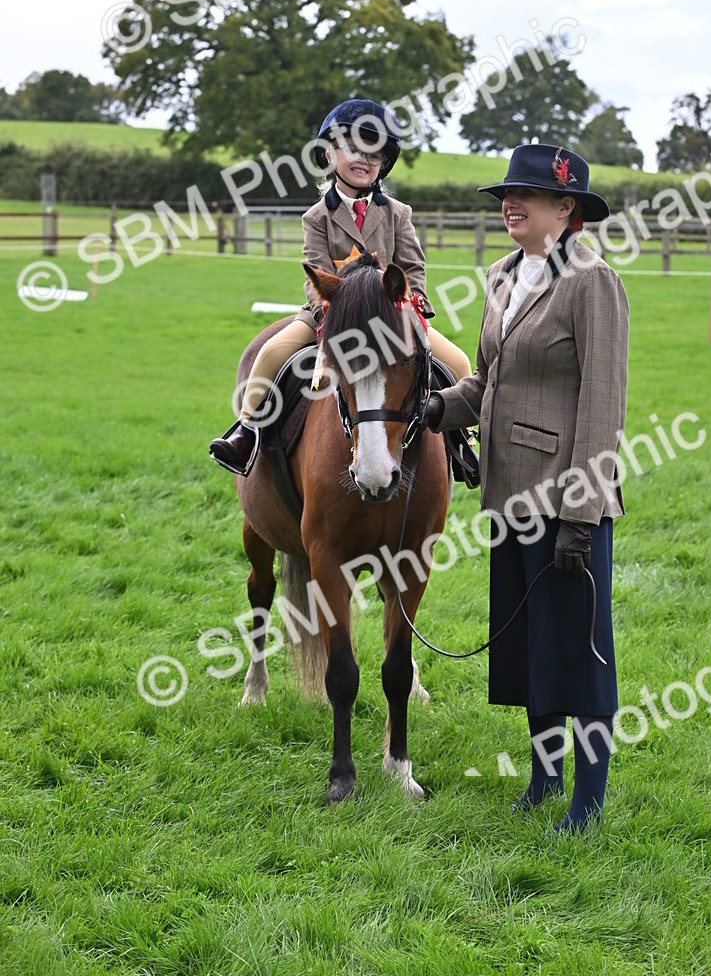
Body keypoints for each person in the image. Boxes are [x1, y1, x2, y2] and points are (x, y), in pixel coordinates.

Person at [423, 143, 629, 833]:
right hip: (508, 495)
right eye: (506, 196)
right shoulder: (502, 275)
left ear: (566, 209)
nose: (510, 205)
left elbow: (603, 405)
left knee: (580, 652)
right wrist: (438, 409)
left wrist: (582, 512)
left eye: (527, 197)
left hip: (567, 501)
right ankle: (544, 780)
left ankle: (588, 803)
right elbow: (488, 381)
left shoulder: (591, 281)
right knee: (532, 648)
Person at [210, 98, 472, 475]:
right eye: (352, 148)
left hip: (395, 315)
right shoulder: (316, 217)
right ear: (330, 154)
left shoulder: (398, 213)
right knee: (270, 352)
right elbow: (315, 273)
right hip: (331, 315)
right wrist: (328, 320)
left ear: (384, 163)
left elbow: (413, 267)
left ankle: (461, 443)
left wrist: (411, 310)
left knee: (459, 363)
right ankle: (247, 431)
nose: (363, 159)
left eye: (374, 153)